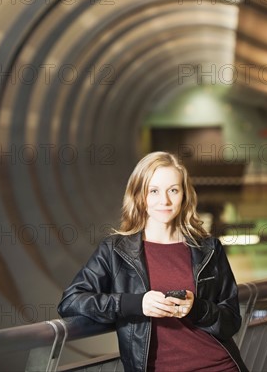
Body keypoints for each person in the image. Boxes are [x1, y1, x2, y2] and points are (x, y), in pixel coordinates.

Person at [58, 151, 249, 372]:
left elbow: (231, 320)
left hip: (218, 366)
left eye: (173, 190)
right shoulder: (115, 250)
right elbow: (70, 302)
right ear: (140, 195)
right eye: (154, 191)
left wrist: (196, 308)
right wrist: (137, 304)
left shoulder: (208, 248)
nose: (164, 201)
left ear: (184, 195)